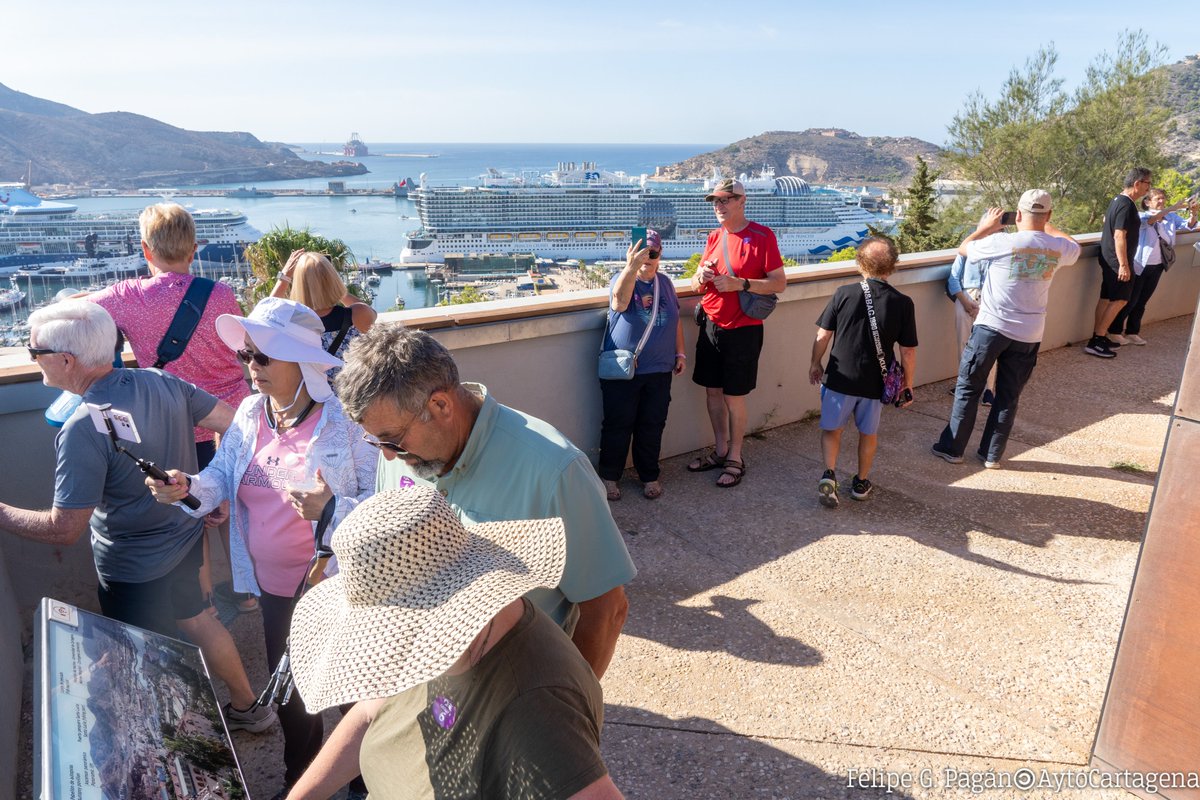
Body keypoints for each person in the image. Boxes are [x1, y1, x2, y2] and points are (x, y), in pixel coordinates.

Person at [0, 300, 274, 734]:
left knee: (147, 662)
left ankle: (177, 747)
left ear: (66, 360)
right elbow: (236, 425)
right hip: (184, 538)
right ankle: (249, 708)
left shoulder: (80, 429)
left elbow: (64, 529)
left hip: (132, 570)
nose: (32, 359)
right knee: (199, 619)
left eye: (34, 352)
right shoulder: (160, 380)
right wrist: (218, 484)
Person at [145, 297, 377, 796]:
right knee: (290, 695)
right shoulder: (251, 413)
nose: (252, 366)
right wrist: (186, 488)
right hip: (276, 590)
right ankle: (301, 784)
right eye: (246, 354)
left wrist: (333, 507)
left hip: (338, 587)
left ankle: (365, 783)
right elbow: (219, 478)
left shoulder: (346, 421)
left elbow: (383, 503)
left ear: (301, 361)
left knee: (350, 690)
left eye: (264, 356)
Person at [284, 487, 623, 800]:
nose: (388, 647)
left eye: (391, 629)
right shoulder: (434, 642)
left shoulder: (536, 708)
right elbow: (372, 712)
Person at [339, 325, 636, 680]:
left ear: (440, 405)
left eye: (393, 440)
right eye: (377, 442)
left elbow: (607, 609)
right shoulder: (402, 455)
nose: (388, 457)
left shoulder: (554, 469)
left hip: (520, 687)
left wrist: (571, 700)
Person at [85, 202, 254, 613]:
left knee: (189, 513)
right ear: (194, 250)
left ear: (146, 249)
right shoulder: (220, 293)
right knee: (234, 509)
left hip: (177, 424)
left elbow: (76, 314)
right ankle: (248, 595)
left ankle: (205, 603)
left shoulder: (125, 297)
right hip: (231, 420)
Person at [933, 192, 1081, 468]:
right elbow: (1076, 246)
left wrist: (986, 227)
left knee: (969, 388)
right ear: (1049, 215)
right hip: (1030, 333)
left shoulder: (1002, 241)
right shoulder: (1058, 248)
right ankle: (991, 454)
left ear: (1018, 215)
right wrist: (1047, 227)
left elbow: (964, 248)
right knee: (1008, 396)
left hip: (991, 328)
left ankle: (952, 449)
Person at [686, 178, 787, 488]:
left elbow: (779, 283)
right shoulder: (714, 237)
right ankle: (720, 450)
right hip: (711, 325)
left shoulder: (762, 236)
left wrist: (740, 283)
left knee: (734, 397)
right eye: (715, 201)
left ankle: (736, 456)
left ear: (742, 201)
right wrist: (700, 276)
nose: (719, 206)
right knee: (712, 392)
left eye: (725, 200)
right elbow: (694, 284)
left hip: (743, 328)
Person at [808, 237, 917, 507]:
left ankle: (829, 475)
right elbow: (908, 351)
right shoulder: (903, 303)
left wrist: (815, 363)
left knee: (832, 430)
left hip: (839, 378)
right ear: (893, 266)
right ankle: (860, 482)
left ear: (859, 263)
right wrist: (907, 383)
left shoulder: (843, 293)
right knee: (868, 434)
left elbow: (823, 335)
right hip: (876, 383)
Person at [598, 229, 685, 501]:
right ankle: (609, 477)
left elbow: (675, 319)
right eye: (641, 253)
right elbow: (619, 302)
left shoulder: (665, 283)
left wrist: (680, 353)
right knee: (618, 424)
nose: (647, 258)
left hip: (659, 369)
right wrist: (631, 267)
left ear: (661, 254)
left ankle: (649, 475)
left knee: (652, 424)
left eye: (652, 253)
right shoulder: (621, 279)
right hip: (623, 370)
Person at [1107, 188, 1199, 346]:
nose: (1162, 201)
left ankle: (1132, 332)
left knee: (1142, 301)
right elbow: (1150, 221)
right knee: (1130, 300)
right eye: (1158, 199)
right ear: (1147, 202)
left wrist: (1193, 212)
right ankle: (1114, 331)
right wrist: (1173, 208)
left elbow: (1189, 225)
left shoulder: (1170, 217)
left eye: (1163, 198)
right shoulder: (1142, 216)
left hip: (1158, 265)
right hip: (1140, 265)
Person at [271, 249, 377, 369]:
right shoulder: (359, 314)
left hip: (313, 382)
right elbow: (371, 314)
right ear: (333, 278)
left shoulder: (291, 323)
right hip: (351, 381)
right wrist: (332, 286)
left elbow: (263, 316)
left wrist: (284, 277)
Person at [1087, 168, 1152, 358]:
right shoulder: (1126, 205)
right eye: (1148, 183)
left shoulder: (1118, 200)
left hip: (1109, 258)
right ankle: (1097, 341)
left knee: (1107, 298)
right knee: (1121, 299)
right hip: (1117, 261)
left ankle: (1098, 337)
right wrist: (1124, 265)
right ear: (1137, 183)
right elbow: (1119, 235)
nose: (1149, 188)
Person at [946, 251, 996, 406]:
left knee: (990, 346)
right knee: (964, 344)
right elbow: (953, 278)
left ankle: (989, 389)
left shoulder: (998, 249)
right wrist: (965, 303)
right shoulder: (967, 249)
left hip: (990, 300)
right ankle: (964, 384)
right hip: (965, 297)